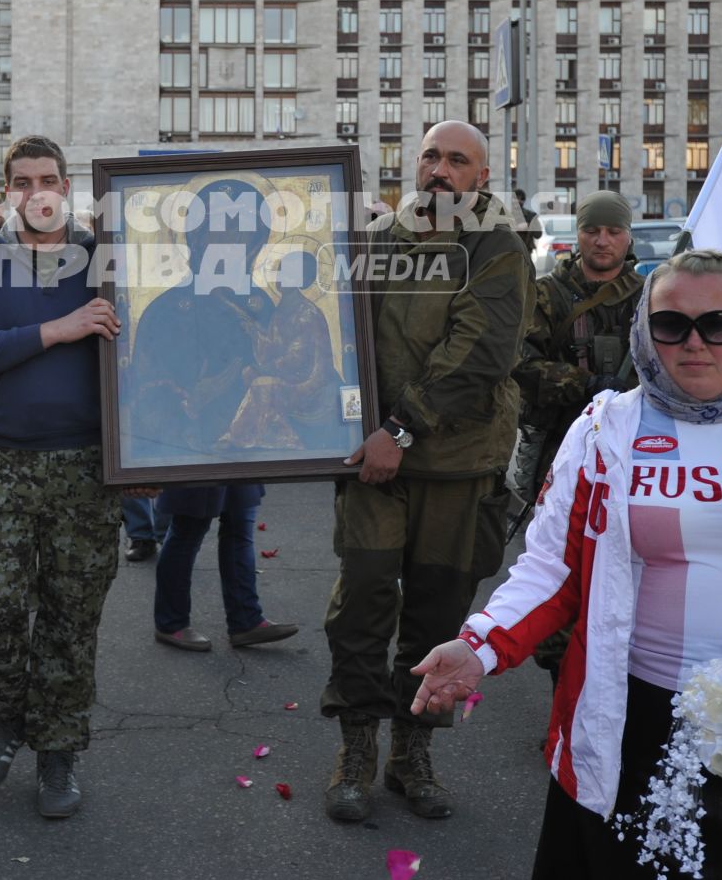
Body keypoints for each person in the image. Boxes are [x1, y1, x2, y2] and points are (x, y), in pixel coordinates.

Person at [410, 249, 722, 878]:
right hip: (642, 714)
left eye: (718, 323)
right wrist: (478, 647)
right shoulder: (605, 430)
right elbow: (551, 571)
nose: (695, 343)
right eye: (671, 325)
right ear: (645, 330)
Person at [321, 121, 532, 823]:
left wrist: (400, 428)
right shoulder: (378, 242)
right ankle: (356, 750)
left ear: (481, 176)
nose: (440, 170)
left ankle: (413, 751)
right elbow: (336, 339)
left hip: (456, 464)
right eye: (431, 156)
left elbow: (478, 354)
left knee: (437, 614)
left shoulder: (496, 246)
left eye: (458, 161)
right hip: (375, 464)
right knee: (361, 605)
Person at [0, 134, 143, 820]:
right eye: (22, 181)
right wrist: (59, 329)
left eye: (48, 178)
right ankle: (6, 718)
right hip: (3, 459)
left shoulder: (101, 261)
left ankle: (57, 749)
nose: (37, 192)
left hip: (87, 465)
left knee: (70, 615)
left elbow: (148, 355)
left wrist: (149, 455)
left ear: (68, 186)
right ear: (6, 193)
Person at [508, 190, 643, 684]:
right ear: (578, 234)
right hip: (562, 448)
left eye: (612, 230)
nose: (602, 240)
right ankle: (561, 689)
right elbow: (519, 361)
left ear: (628, 236)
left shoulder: (651, 296)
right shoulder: (547, 295)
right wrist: (583, 385)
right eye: (592, 230)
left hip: (635, 452)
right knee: (560, 562)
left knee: (625, 565)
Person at [152, 482, 299, 651]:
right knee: (188, 529)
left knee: (240, 523)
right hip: (199, 460)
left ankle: (246, 620)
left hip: (238, 459)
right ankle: (171, 623)